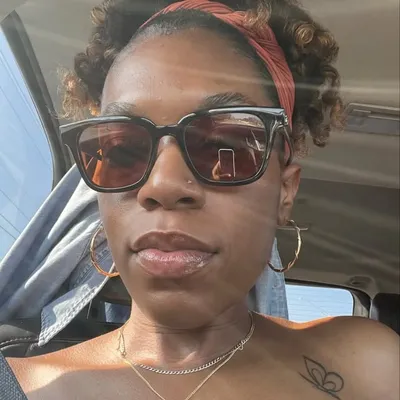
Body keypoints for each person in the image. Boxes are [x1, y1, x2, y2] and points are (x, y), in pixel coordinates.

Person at [7, 0, 399, 399]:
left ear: (285, 191)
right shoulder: (16, 383)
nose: (162, 185)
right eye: (123, 150)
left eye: (223, 147)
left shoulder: (369, 366)